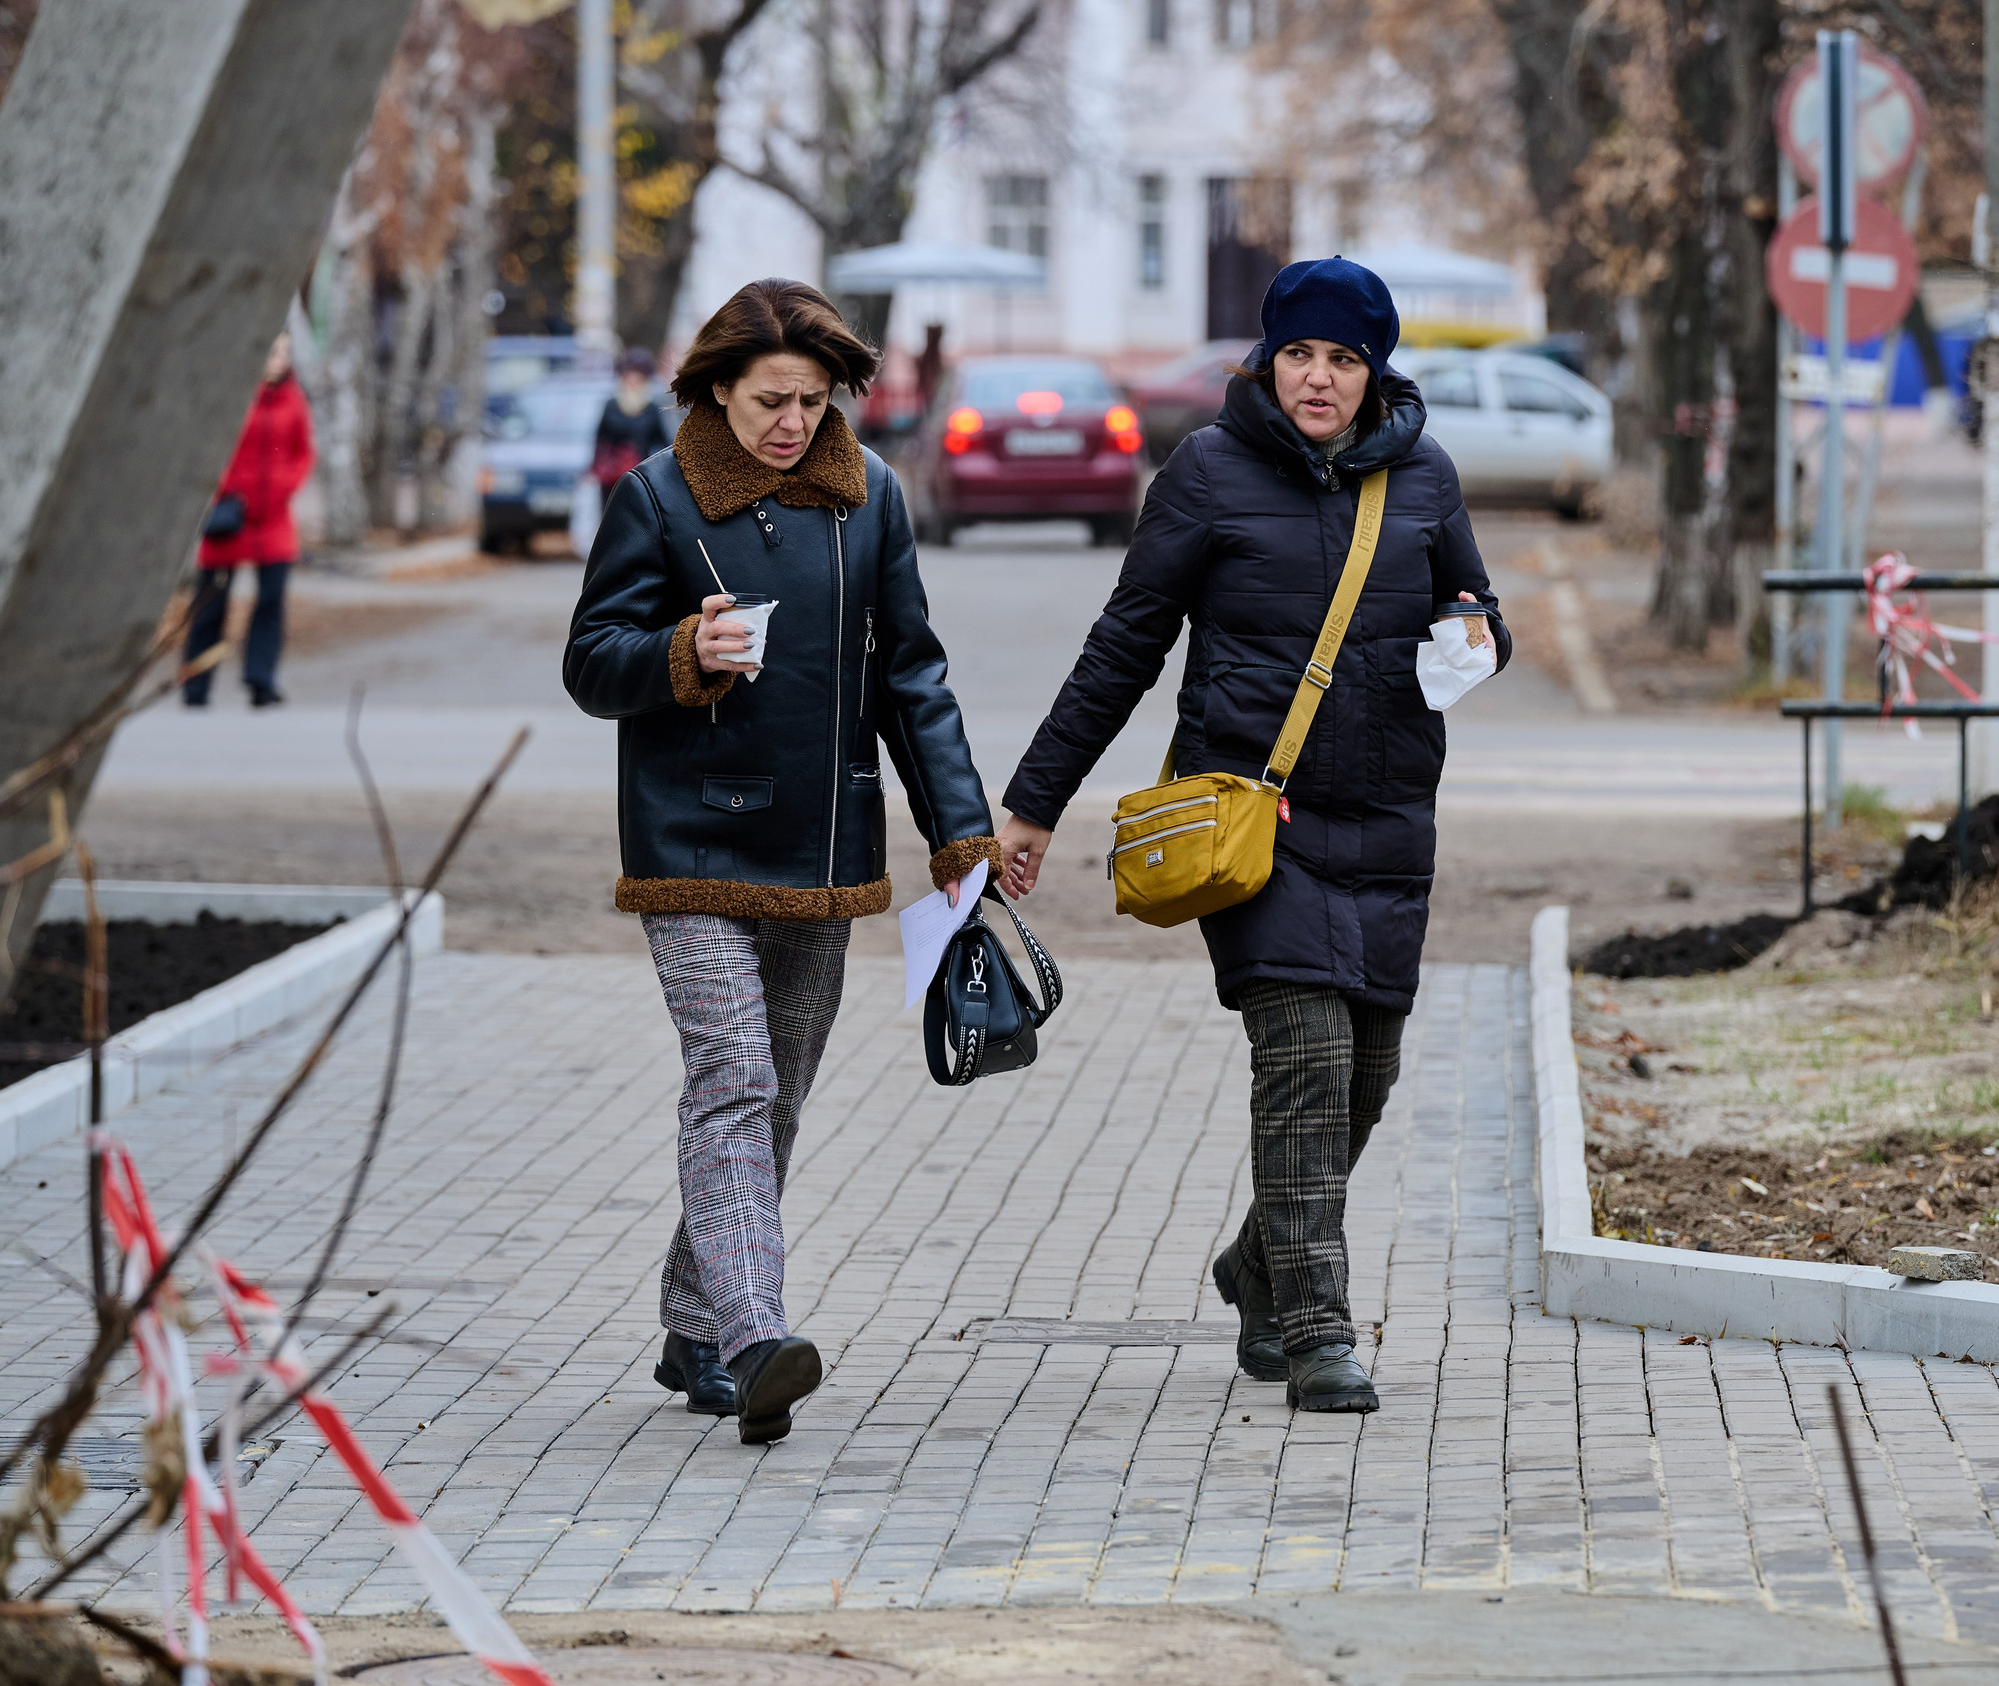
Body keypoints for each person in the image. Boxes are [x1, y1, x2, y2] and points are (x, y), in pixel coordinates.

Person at [992, 257, 1508, 1414]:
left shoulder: (1423, 478)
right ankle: (1317, 1326)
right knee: (1307, 1065)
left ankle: (1257, 1261)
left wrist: (1478, 638)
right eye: (1299, 355)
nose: (1318, 378)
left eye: (1342, 358)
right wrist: (1035, 801)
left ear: (1374, 370)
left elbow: (1474, 610)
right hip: (1252, 823)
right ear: (1267, 360)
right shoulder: (1208, 473)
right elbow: (1124, 643)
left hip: (1388, 819)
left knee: (1367, 1073)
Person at [565, 278, 999, 1445]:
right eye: (769, 399)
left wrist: (959, 832)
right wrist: (678, 651)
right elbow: (589, 660)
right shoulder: (655, 500)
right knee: (734, 1083)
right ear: (714, 388)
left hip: (824, 846)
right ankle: (757, 1334)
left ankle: (692, 1323)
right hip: (689, 845)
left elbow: (914, 674)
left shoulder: (874, 503)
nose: (790, 422)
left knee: (776, 1098)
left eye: (810, 400)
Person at [188, 333, 313, 708]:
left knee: (271, 600)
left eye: (285, 353)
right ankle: (196, 684)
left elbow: (303, 453)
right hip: (232, 515)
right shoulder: (230, 396)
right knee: (211, 602)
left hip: (274, 518)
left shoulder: (294, 400)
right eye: (273, 351)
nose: (280, 359)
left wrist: (283, 488)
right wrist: (227, 489)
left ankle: (261, 680)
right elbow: (208, 449)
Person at [593, 347, 672, 490]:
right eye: (630, 377)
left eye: (638, 379)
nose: (633, 383)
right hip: (612, 477)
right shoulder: (611, 406)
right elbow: (600, 439)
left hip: (641, 476)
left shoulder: (651, 408)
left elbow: (663, 441)